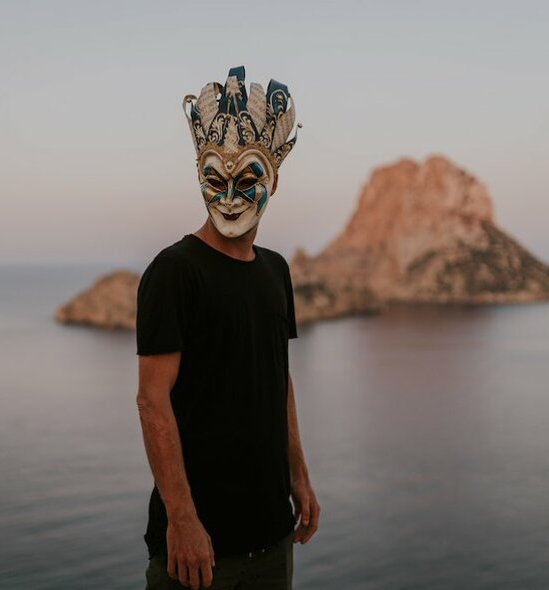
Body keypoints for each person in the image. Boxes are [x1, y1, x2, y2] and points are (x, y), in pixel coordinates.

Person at [136, 66, 319, 590]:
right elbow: (152, 400)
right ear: (198, 173)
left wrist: (299, 477)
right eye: (216, 179)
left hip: (271, 533)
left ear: (275, 180)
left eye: (249, 180)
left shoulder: (276, 270)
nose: (232, 197)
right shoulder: (173, 272)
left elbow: (277, 379)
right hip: (199, 550)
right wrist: (183, 519)